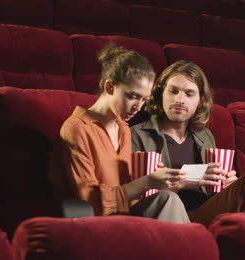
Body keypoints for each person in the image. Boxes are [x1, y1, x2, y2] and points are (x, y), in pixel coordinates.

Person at [131, 60, 245, 226]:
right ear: (161, 94)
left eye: (189, 94)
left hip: (205, 211)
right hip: (174, 215)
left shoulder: (204, 136)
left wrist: (225, 184)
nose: (180, 99)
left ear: (200, 101)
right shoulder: (137, 135)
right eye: (173, 91)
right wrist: (180, 183)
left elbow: (210, 189)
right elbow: (134, 196)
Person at [48, 45, 190, 223]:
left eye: (144, 99)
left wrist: (152, 178)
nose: (138, 108)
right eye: (132, 96)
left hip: (125, 216)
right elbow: (88, 200)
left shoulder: (123, 128)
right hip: (92, 220)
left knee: (168, 198)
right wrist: (146, 182)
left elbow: (128, 195)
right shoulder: (76, 129)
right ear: (109, 87)